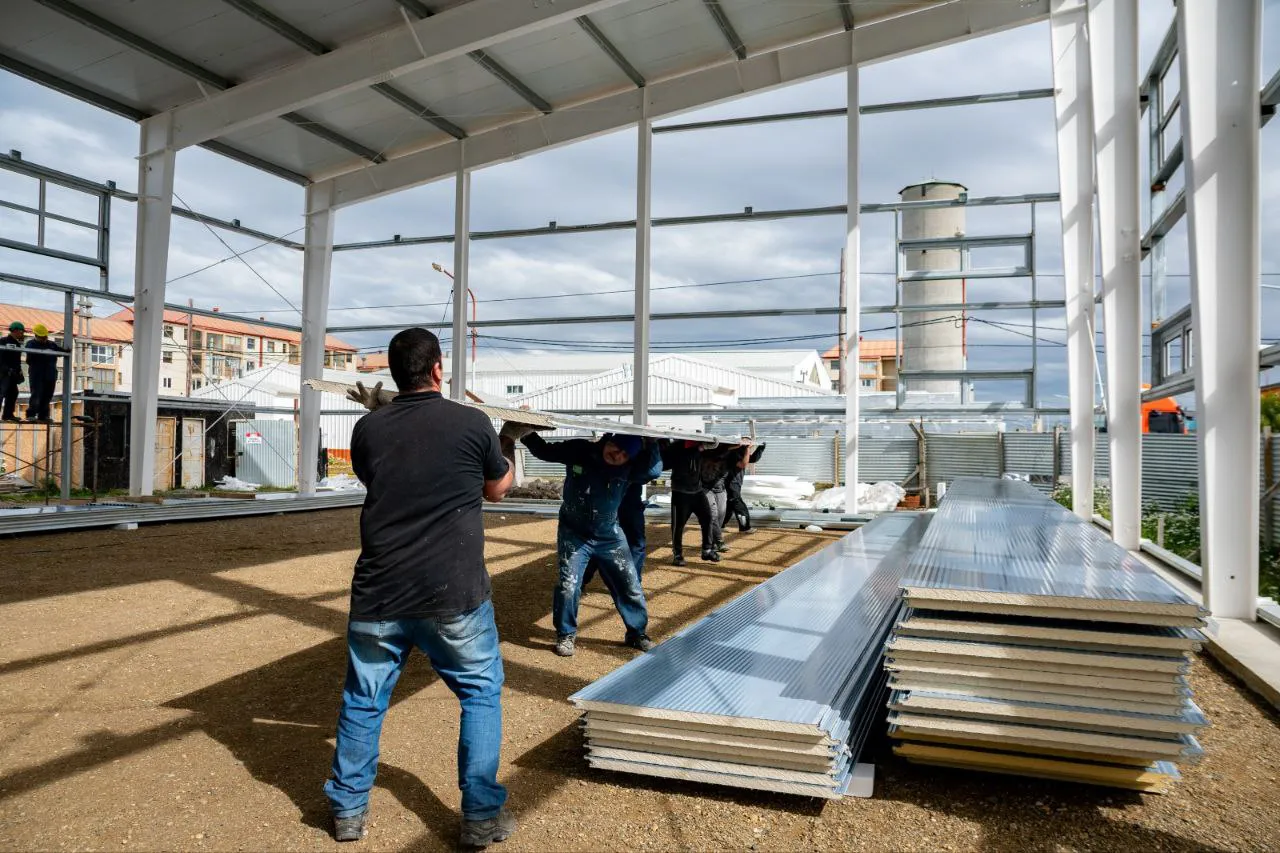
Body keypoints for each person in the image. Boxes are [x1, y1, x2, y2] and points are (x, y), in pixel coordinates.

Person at [324, 327, 517, 847]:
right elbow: (497, 489)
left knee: (363, 701)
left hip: (379, 592)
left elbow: (382, 481)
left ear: (393, 374)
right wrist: (509, 445)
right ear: (438, 369)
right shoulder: (472, 424)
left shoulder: (368, 430)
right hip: (452, 592)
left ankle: (347, 812)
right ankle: (479, 817)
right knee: (479, 694)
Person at [515, 429, 660, 657]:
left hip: (609, 536)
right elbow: (545, 451)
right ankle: (566, 634)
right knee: (569, 585)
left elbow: (654, 470)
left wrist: (652, 442)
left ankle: (637, 633)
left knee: (629, 585)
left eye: (624, 454)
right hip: (575, 534)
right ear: (607, 440)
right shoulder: (581, 451)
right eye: (615, 447)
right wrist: (526, 432)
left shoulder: (632, 468)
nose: (617, 455)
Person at [662, 440, 718, 566]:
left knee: (707, 518)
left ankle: (707, 550)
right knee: (678, 525)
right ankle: (677, 555)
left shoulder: (699, 446)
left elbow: (717, 452)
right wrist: (699, 449)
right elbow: (675, 460)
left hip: (697, 491)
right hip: (680, 492)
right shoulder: (677, 447)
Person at [25, 324, 65, 423]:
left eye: (45, 336)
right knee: (36, 394)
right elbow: (30, 356)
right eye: (42, 337)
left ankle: (43, 415)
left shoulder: (51, 344)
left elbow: (60, 351)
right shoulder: (31, 344)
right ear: (36, 336)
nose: (44, 339)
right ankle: (31, 414)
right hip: (37, 373)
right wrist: (43, 352)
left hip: (50, 374)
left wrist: (66, 350)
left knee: (47, 395)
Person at [724, 441, 767, 533]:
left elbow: (752, 459)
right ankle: (745, 527)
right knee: (739, 505)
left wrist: (761, 448)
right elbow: (743, 464)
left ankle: (720, 525)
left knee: (729, 506)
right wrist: (747, 449)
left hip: (735, 484)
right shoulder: (732, 454)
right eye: (747, 442)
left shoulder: (741, 452)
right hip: (731, 484)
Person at [0, 321, 25, 422]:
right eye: (21, 331)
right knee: (1, 393)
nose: (22, 334)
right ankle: (7, 415)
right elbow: (0, 358)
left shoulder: (17, 344)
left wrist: (19, 372)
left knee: (13, 393)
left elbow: (17, 361)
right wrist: (7, 369)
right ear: (15, 331)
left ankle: (8, 415)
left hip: (12, 374)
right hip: (3, 374)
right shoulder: (3, 341)